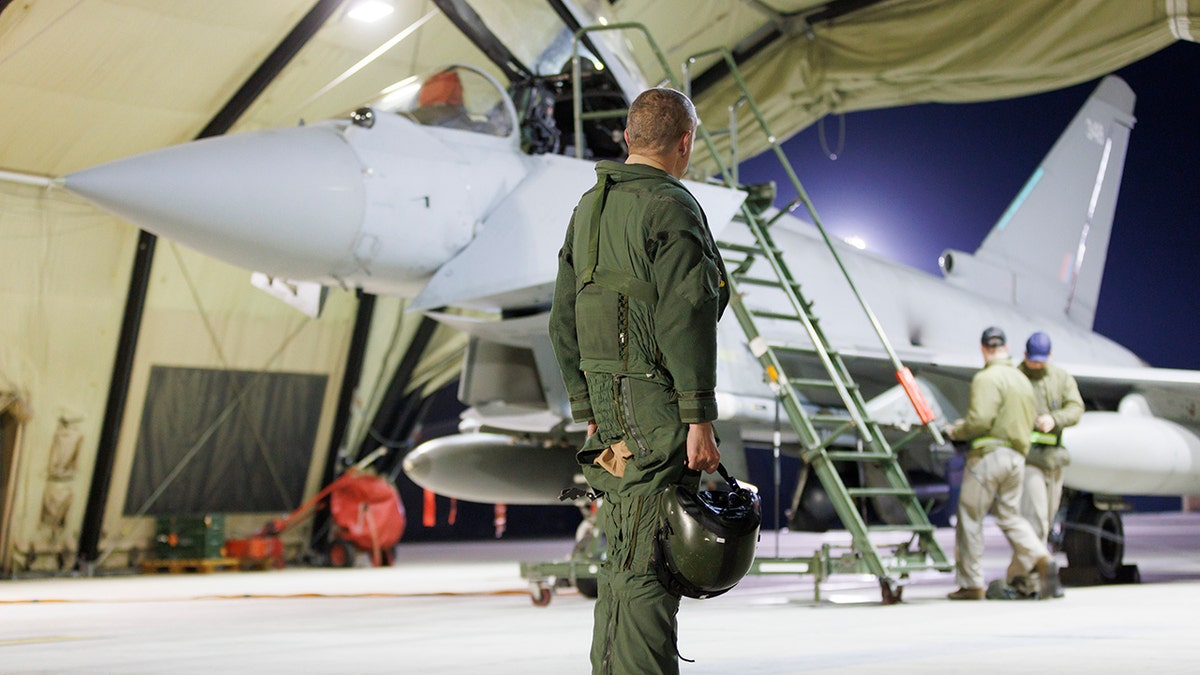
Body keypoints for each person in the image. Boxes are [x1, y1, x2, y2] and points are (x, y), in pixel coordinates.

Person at [548, 87, 728, 674]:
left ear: (628, 139)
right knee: (651, 562)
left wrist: (587, 405)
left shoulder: (588, 208)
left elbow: (562, 317)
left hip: (610, 417)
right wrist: (698, 416)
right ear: (685, 143)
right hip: (657, 410)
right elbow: (688, 315)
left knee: (624, 556)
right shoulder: (670, 206)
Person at [945, 326, 1063, 600]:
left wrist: (958, 431)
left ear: (984, 348)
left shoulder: (987, 378)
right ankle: (1041, 557)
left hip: (989, 456)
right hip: (1017, 459)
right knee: (1010, 515)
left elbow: (981, 420)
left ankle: (971, 584)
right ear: (1007, 348)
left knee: (970, 516)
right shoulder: (1021, 379)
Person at [1006, 330, 1083, 597]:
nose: (1036, 365)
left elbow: (1076, 408)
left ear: (1049, 357)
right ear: (1025, 356)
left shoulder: (1060, 378)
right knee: (1034, 520)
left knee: (1047, 521)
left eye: (1041, 360)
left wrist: (1055, 418)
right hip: (1029, 460)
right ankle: (1032, 579)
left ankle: (1023, 577)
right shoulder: (1016, 378)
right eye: (1032, 360)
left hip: (1053, 459)